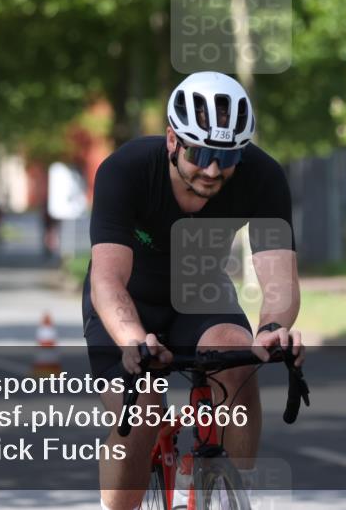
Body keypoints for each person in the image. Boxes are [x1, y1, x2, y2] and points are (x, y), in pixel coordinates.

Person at [83, 72, 304, 510]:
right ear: (172, 140)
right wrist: (132, 340)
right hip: (130, 300)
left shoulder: (262, 177)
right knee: (142, 410)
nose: (213, 169)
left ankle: (231, 494)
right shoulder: (125, 171)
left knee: (237, 359)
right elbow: (107, 280)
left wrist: (273, 327)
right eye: (200, 153)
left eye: (227, 155)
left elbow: (278, 276)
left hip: (201, 294)